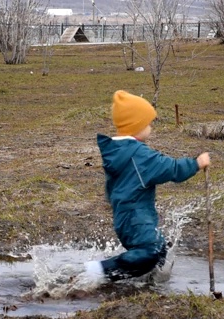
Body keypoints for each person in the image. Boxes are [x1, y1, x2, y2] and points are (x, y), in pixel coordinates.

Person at [84, 90, 211, 283]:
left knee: (159, 247)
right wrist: (196, 163)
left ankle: (151, 279)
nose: (151, 127)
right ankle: (97, 272)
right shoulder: (138, 155)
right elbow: (171, 169)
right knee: (149, 252)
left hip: (126, 217)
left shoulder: (118, 152)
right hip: (136, 218)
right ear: (137, 126)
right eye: (148, 123)